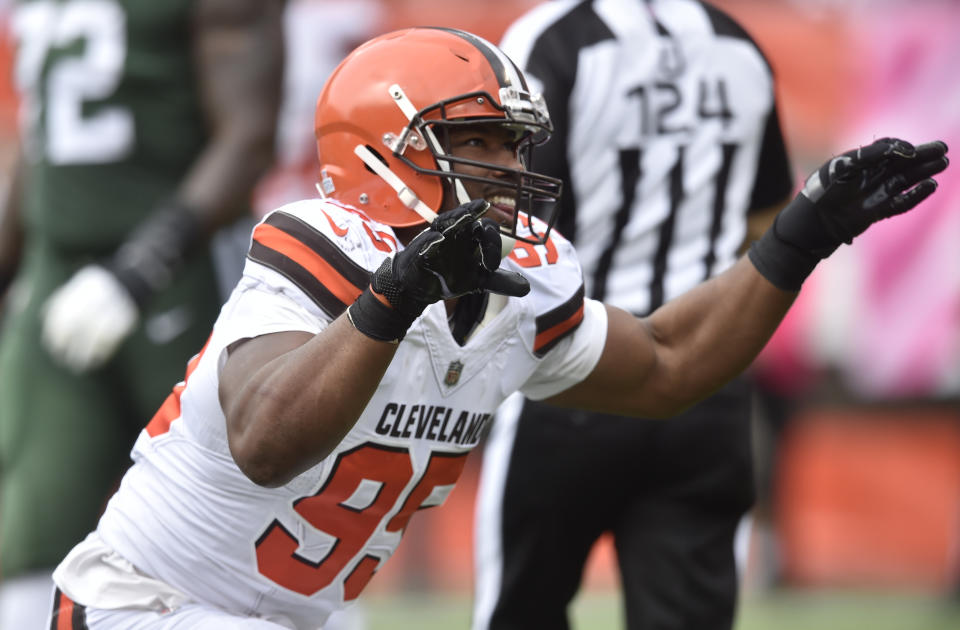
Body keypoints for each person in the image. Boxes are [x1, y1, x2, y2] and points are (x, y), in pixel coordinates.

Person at [47, 25, 946, 630]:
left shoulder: (520, 282)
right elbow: (265, 441)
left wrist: (803, 235)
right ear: (381, 153)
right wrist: (395, 299)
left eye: (516, 144)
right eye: (478, 141)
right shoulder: (321, 241)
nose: (511, 167)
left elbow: (671, 364)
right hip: (145, 604)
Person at [471, 2, 793, 628]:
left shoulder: (551, 39)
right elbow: (766, 223)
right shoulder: (739, 46)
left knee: (520, 613)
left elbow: (507, 205)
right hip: (707, 375)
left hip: (575, 365)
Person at [0, 0, 284, 626]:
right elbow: (44, 140)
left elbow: (250, 135)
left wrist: (142, 268)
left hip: (182, 275)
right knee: (33, 532)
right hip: (57, 271)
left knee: (255, 524)